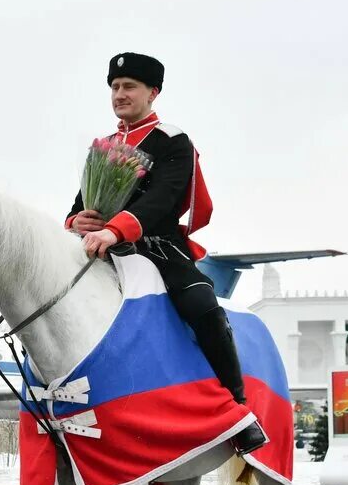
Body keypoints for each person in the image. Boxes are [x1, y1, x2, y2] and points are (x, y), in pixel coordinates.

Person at [66, 52, 266, 455]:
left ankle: (238, 410)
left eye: (129, 87)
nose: (119, 94)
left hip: (155, 246)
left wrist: (114, 229)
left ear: (152, 92)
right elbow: (78, 205)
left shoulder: (172, 140)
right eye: (115, 87)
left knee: (203, 305)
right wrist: (76, 222)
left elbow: (162, 199)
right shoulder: (103, 148)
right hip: (99, 248)